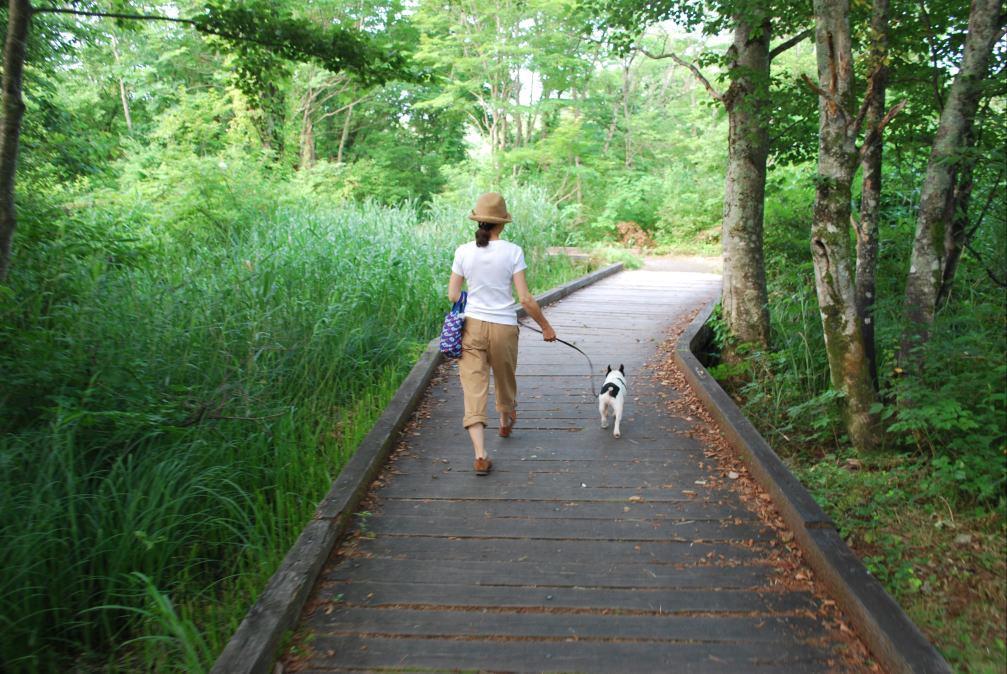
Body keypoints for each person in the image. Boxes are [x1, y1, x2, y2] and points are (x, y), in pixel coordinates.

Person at [448, 192, 556, 476]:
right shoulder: (513, 251)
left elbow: (452, 294)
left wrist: (473, 301)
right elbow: (526, 299)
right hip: (504, 327)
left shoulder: (463, 251)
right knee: (505, 378)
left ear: (479, 219)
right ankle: (506, 420)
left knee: (473, 388)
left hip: (471, 326)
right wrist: (546, 327)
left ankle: (480, 455)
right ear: (502, 223)